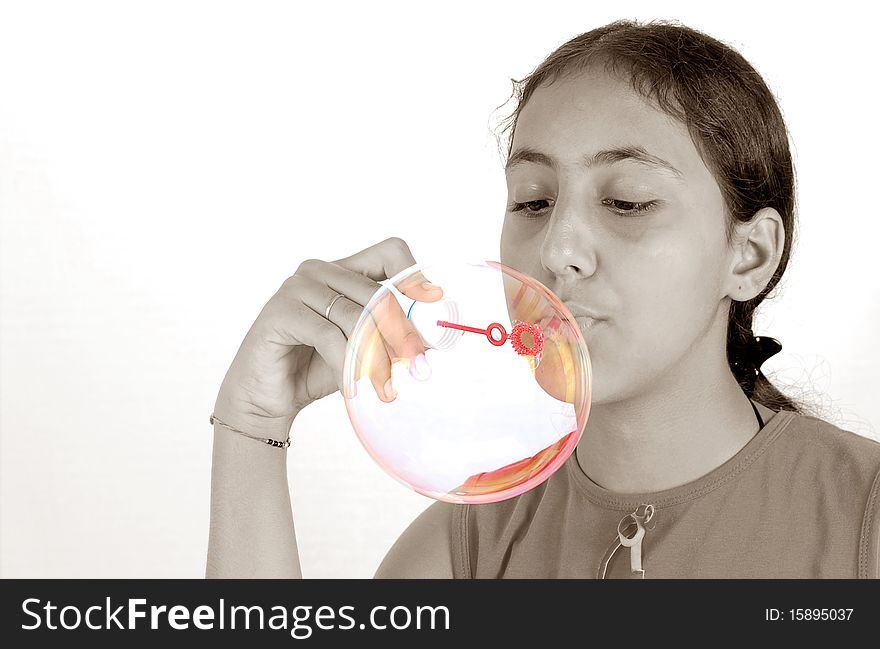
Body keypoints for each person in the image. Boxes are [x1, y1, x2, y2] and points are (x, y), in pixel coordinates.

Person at [205, 19, 880, 579]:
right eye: (533, 200)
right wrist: (251, 422)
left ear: (750, 255)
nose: (558, 248)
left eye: (627, 201)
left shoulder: (863, 515)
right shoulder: (463, 550)